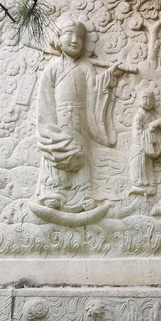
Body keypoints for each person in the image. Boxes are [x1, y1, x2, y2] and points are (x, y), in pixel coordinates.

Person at [34, 16, 124, 211]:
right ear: (58, 38)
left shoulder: (86, 67)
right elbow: (45, 102)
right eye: (69, 34)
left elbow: (96, 90)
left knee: (80, 153)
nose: (75, 40)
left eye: (80, 36)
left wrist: (108, 76)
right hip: (58, 121)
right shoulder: (51, 70)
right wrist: (49, 129)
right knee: (57, 153)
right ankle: (53, 191)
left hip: (80, 120)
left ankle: (83, 193)